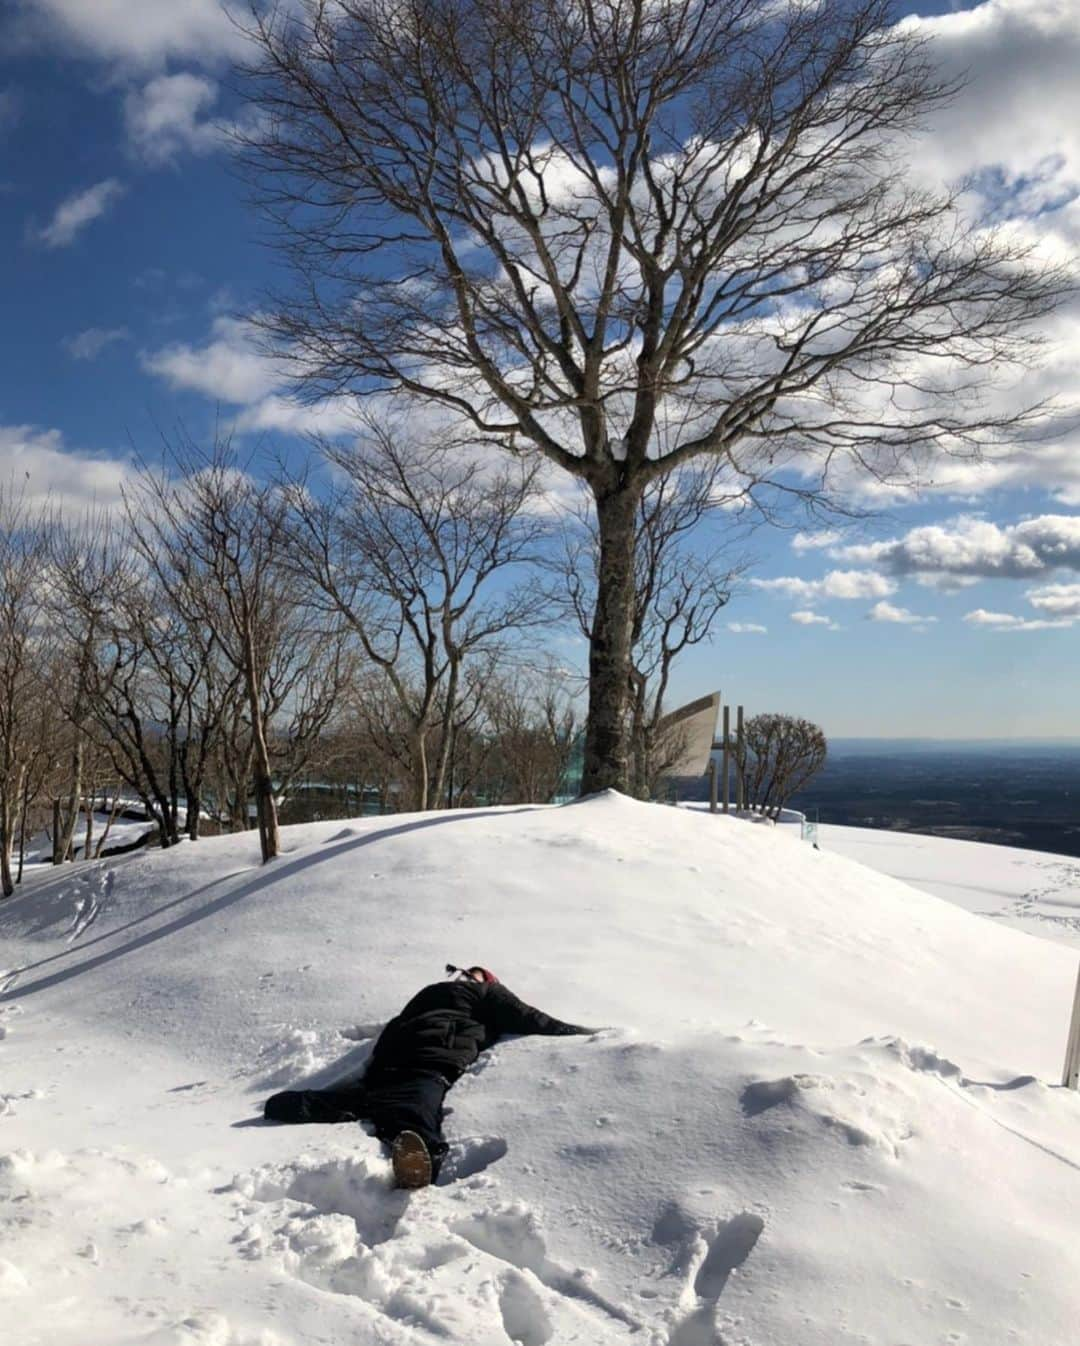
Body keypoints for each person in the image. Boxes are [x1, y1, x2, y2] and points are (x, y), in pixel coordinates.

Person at [264, 963, 594, 1188]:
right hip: (429, 1058)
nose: (468, 974)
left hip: (391, 1059)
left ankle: (290, 1105)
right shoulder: (487, 994)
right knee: (415, 1106)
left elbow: (396, 1023)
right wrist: (580, 1033)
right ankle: (421, 1160)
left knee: (369, 1098)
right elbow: (528, 1017)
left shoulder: (428, 993)